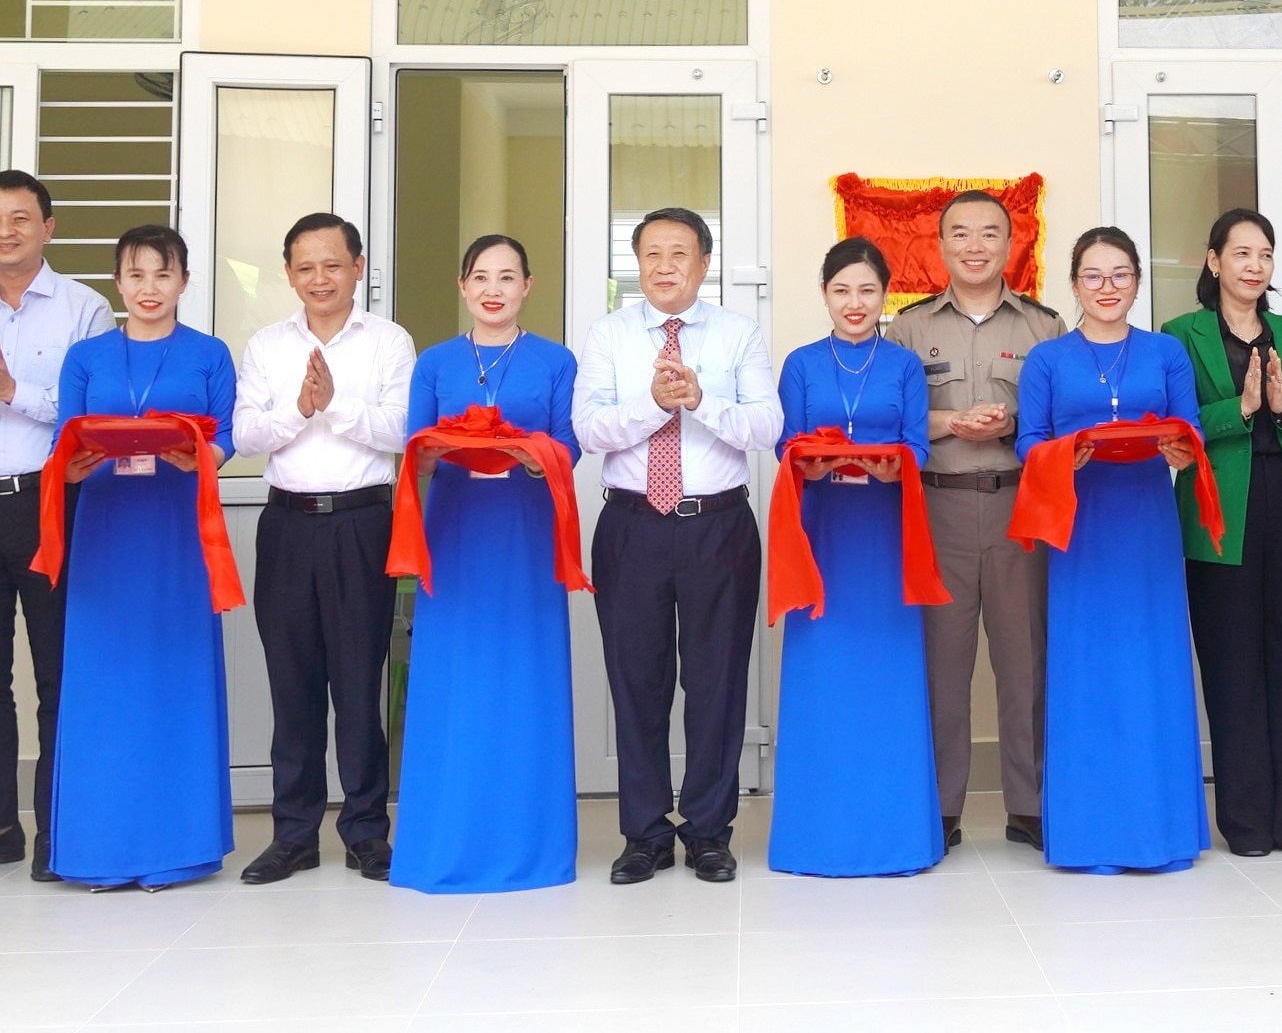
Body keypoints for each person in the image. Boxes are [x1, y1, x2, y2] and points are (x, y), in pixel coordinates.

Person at [574, 206, 782, 884]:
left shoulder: (736, 335)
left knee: (716, 682)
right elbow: (588, 429)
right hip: (630, 525)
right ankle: (642, 834)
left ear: (704, 263)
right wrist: (653, 406)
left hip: (717, 526)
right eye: (652, 254)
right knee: (637, 682)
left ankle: (708, 831)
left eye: (680, 254)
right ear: (636, 264)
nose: (666, 267)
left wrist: (700, 402)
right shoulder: (607, 335)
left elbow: (766, 426)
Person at [0, 171, 113, 881]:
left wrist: (13, 390)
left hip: (51, 503)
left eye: (21, 218)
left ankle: (57, 830)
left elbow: (90, 409)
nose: (5, 231)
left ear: (48, 227)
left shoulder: (84, 308)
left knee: (57, 675)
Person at [48, 224, 238, 889]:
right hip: (105, 531)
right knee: (106, 685)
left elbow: (229, 436)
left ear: (184, 281)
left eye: (163, 274)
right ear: (117, 283)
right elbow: (62, 448)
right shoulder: (86, 357)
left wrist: (203, 457)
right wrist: (71, 469)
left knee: (174, 678)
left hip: (178, 531)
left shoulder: (209, 353)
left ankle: (177, 847)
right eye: (135, 274)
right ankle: (100, 848)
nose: (149, 288)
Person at [1014, 225, 1207, 873]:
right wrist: (1067, 456)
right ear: (1073, 284)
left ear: (1136, 282)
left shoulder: (1165, 353)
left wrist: (1182, 449)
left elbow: (1190, 433)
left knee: (1150, 666)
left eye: (1120, 274)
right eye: (1093, 276)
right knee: (1086, 672)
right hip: (1080, 527)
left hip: (1147, 523)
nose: (1106, 288)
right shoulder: (1047, 358)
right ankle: (1089, 834)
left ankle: (1162, 830)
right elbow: (1027, 443)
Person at [232, 213, 417, 882]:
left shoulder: (389, 343)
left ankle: (367, 831)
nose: (319, 278)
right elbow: (247, 436)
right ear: (288, 273)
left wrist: (334, 405)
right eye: (305, 267)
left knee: (359, 681)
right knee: (293, 683)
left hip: (362, 524)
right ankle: (294, 834)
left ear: (358, 267)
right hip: (285, 525)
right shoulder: (266, 346)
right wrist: (300, 410)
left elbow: (401, 430)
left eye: (332, 265)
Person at [393, 234, 581, 894]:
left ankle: (532, 845)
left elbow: (569, 447)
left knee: (523, 677)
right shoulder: (435, 363)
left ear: (528, 285)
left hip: (526, 532)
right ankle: (444, 841)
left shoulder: (556, 361)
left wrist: (536, 456)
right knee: (456, 682)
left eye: (507, 276)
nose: (493, 288)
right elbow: (413, 451)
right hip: (456, 531)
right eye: (481, 276)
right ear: (462, 286)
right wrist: (442, 448)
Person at [885, 190, 1061, 852]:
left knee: (1025, 661)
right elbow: (889, 414)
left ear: (1011, 244)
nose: (975, 246)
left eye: (990, 233)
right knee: (940, 662)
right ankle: (938, 809)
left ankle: (1030, 805)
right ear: (940, 245)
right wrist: (948, 423)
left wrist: (1013, 423)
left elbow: (1060, 415)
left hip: (1021, 504)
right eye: (960, 234)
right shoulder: (907, 328)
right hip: (938, 506)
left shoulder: (1044, 327)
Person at [1163, 208, 1282, 857]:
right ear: (1213, 262)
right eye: (1241, 254)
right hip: (1218, 509)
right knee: (1232, 666)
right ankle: (1246, 824)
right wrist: (1237, 408)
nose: (1254, 266)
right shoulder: (1180, 334)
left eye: (1264, 255)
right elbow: (1175, 422)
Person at [770, 237, 940, 877]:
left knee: (887, 681)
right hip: (822, 535)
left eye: (867, 290)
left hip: (884, 535)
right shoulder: (801, 364)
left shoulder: (901, 366)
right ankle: (815, 836)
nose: (855, 303)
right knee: (824, 680)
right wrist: (819, 459)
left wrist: (884, 463)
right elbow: (786, 445)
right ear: (824, 295)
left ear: (885, 296)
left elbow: (918, 447)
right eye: (842, 290)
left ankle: (897, 836)